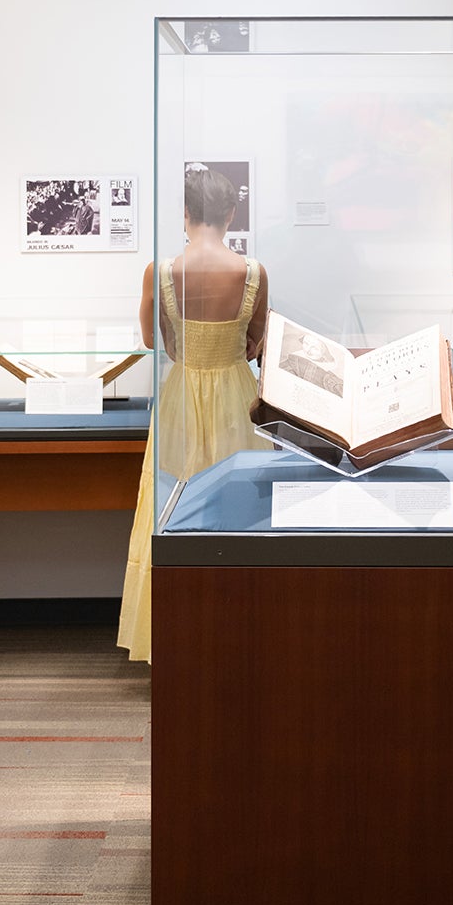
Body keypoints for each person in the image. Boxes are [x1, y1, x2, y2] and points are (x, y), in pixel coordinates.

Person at [116, 167, 272, 662]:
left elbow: (151, 339)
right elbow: (258, 344)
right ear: (230, 215)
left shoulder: (160, 271)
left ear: (184, 213)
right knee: (243, 512)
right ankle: (243, 634)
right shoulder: (253, 272)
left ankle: (176, 636)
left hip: (182, 394)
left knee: (173, 509)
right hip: (238, 400)